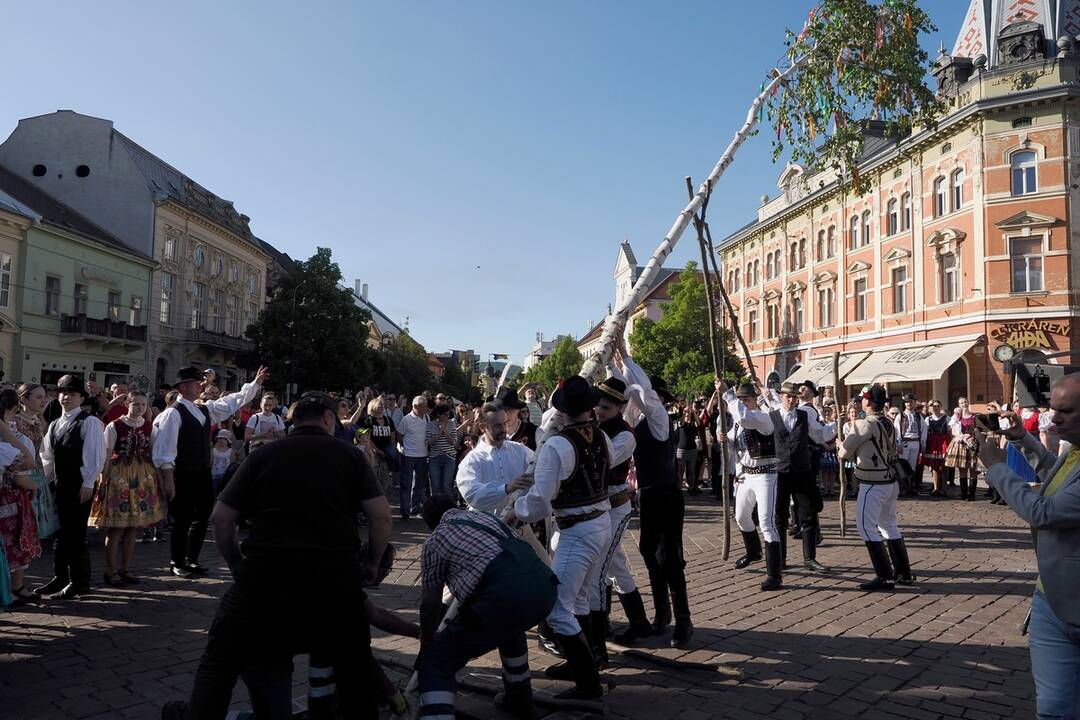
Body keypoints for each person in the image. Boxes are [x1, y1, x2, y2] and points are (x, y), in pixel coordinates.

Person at [160, 391, 392, 720]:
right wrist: (371, 562)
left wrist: (236, 564)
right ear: (328, 418)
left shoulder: (263, 456)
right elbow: (381, 516)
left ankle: (199, 714)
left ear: (291, 421)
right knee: (354, 667)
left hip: (263, 580)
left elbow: (222, 518)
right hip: (333, 582)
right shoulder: (348, 456)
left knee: (221, 659)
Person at [980, 374, 1080, 720]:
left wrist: (996, 469)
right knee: (1053, 710)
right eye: (1054, 410)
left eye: (1066, 412)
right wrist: (1023, 439)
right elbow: (1055, 476)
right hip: (1050, 601)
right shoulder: (1076, 451)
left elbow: (1044, 511)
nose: (1054, 419)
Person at [509, 376, 612, 699]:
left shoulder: (557, 445)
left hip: (578, 529)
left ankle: (588, 684)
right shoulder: (601, 436)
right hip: (600, 522)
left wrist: (518, 511)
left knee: (557, 607)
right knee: (579, 598)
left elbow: (542, 498)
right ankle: (583, 662)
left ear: (562, 410)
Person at [414, 495, 556, 720]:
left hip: (502, 598)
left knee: (435, 661)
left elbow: (430, 603)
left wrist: (428, 638)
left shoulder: (436, 540)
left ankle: (436, 714)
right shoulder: (488, 519)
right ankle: (519, 699)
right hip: (544, 588)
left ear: (431, 524)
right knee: (510, 630)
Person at [610, 342, 693, 647]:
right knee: (648, 551)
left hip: (667, 494)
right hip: (648, 494)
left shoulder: (658, 417)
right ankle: (662, 614)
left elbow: (641, 389)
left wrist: (627, 356)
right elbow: (626, 390)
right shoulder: (639, 420)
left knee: (670, 557)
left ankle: (683, 620)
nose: (641, 398)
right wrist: (611, 363)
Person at [152, 366, 267, 577]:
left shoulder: (204, 409)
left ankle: (191, 559)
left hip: (202, 472)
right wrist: (168, 477)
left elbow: (231, 402)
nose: (201, 386)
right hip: (182, 473)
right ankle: (177, 561)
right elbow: (164, 449)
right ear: (184, 387)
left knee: (203, 515)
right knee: (181, 518)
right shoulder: (172, 413)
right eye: (197, 383)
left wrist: (254, 385)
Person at [837, 383, 915, 592]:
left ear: (868, 401)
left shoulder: (865, 424)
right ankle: (903, 573)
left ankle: (885, 576)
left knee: (865, 527)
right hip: (890, 481)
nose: (861, 401)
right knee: (889, 526)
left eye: (863, 398)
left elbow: (843, 453)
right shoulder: (888, 421)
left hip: (873, 483)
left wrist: (840, 444)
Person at [36, 375, 106, 600]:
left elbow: (95, 456)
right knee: (60, 533)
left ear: (81, 398)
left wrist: (88, 482)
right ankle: (60, 577)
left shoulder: (89, 422)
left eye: (72, 393)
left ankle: (80, 581)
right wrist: (46, 482)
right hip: (60, 485)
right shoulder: (56, 423)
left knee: (75, 534)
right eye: (62, 393)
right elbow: (47, 456)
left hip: (79, 485)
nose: (66, 397)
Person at [593, 376, 651, 645]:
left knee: (606, 562)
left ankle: (623, 622)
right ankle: (618, 622)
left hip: (616, 506)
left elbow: (610, 459)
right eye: (597, 406)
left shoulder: (625, 434)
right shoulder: (596, 426)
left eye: (605, 407)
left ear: (618, 408)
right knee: (611, 562)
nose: (598, 411)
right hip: (600, 505)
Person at [89, 389, 164, 586]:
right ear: (126, 405)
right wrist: (103, 481)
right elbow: (106, 455)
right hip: (118, 476)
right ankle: (110, 570)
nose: (139, 408)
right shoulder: (115, 426)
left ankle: (125, 569)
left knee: (133, 528)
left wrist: (158, 481)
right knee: (116, 528)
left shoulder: (150, 427)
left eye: (142, 405)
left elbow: (154, 454)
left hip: (142, 477)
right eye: (135, 404)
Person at [721, 380, 783, 590]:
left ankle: (775, 575)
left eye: (746, 399)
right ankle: (753, 551)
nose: (743, 403)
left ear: (755, 400)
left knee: (766, 522)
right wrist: (725, 441)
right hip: (747, 475)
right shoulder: (738, 422)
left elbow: (747, 419)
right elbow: (734, 444)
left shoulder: (762, 418)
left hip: (766, 475)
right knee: (740, 517)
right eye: (740, 400)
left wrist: (727, 395)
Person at [768, 382, 836, 573]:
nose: (791, 400)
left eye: (794, 397)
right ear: (781, 396)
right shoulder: (771, 417)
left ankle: (810, 558)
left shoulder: (805, 415)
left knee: (808, 514)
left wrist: (837, 423)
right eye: (788, 396)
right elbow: (757, 433)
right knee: (779, 516)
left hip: (802, 471)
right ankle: (780, 559)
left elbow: (821, 434)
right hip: (780, 473)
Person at [0, 388, 41, 606]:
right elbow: (23, 468)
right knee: (13, 545)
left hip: (14, 497)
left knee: (17, 543)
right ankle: (12, 589)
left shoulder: (17, 435)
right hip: (10, 496)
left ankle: (16, 587)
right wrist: (33, 485)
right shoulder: (11, 439)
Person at [455, 403, 534, 513]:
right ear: (482, 427)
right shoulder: (471, 461)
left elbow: (541, 471)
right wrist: (506, 489)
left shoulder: (521, 451)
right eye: (497, 425)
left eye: (504, 424)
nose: (503, 429)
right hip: (485, 526)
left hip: (519, 525)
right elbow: (473, 495)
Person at [17, 384, 60, 543]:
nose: (43, 401)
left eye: (44, 397)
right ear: (24, 399)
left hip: (38, 474)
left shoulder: (38, 420)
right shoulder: (15, 422)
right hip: (22, 476)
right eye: (38, 397)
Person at [398, 396, 431, 521]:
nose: (426, 408)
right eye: (423, 406)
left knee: (418, 484)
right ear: (415, 406)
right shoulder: (406, 420)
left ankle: (414, 508)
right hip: (409, 456)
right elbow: (400, 435)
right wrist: (405, 448)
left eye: (426, 406)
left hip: (422, 455)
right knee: (406, 483)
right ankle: (405, 510)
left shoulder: (427, 417)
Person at [360, 397, 398, 497]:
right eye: (379, 404)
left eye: (382, 404)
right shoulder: (368, 420)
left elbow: (393, 435)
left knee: (384, 480)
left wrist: (390, 449)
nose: (381, 406)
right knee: (372, 480)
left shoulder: (388, 420)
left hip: (386, 454)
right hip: (373, 454)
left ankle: (382, 501)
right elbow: (367, 437)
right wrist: (376, 450)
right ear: (372, 406)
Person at [945, 397, 979, 501]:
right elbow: (953, 429)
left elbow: (979, 429)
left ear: (968, 403)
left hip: (972, 444)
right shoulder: (957, 417)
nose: (964, 404)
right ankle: (964, 493)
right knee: (962, 470)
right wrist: (961, 436)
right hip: (961, 444)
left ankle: (972, 494)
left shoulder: (974, 416)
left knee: (973, 469)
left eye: (965, 402)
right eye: (961, 403)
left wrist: (972, 436)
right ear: (959, 405)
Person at [894, 394, 926, 497]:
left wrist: (922, 443)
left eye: (911, 402)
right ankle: (902, 487)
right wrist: (898, 444)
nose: (909, 404)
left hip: (915, 442)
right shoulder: (900, 416)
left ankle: (910, 487)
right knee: (903, 465)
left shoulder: (918, 416)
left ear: (914, 403)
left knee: (912, 466)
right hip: (904, 443)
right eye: (907, 402)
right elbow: (897, 431)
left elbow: (923, 430)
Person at [426, 404, 458, 497]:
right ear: (438, 414)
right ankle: (436, 508)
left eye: (448, 414)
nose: (447, 417)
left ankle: (449, 508)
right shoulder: (430, 425)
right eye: (445, 414)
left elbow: (453, 442)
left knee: (446, 485)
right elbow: (429, 442)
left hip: (449, 457)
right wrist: (439, 432)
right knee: (435, 486)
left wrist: (444, 430)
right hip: (434, 458)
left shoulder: (452, 424)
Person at [921, 400, 951, 497]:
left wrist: (951, 444)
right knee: (934, 466)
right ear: (931, 408)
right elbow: (925, 433)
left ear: (941, 407)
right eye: (934, 406)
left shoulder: (947, 418)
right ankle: (935, 488)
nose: (935, 408)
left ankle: (944, 488)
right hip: (932, 442)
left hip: (944, 442)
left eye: (938, 406)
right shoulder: (928, 419)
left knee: (944, 466)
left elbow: (950, 432)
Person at [674, 405, 700, 495]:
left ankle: (691, 488)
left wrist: (693, 412)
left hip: (692, 449)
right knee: (680, 471)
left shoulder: (693, 423)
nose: (688, 415)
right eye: (686, 414)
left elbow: (699, 423)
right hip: (682, 450)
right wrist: (684, 412)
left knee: (691, 471)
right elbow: (680, 424)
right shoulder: (680, 422)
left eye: (689, 414)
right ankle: (679, 489)